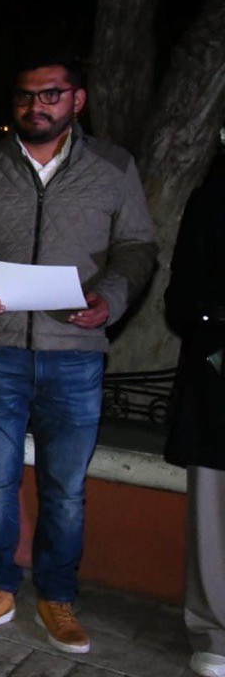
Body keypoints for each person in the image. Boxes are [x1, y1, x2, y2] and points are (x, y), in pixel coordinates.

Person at [0, 55, 157, 654]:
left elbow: (137, 246)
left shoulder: (112, 167)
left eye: (50, 95)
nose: (36, 107)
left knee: (67, 490)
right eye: (25, 97)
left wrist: (111, 298)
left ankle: (57, 596)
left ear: (77, 100)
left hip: (74, 353)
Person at [164, 152, 225, 677]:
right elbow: (181, 301)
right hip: (220, 378)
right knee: (213, 509)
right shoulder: (213, 199)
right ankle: (215, 632)